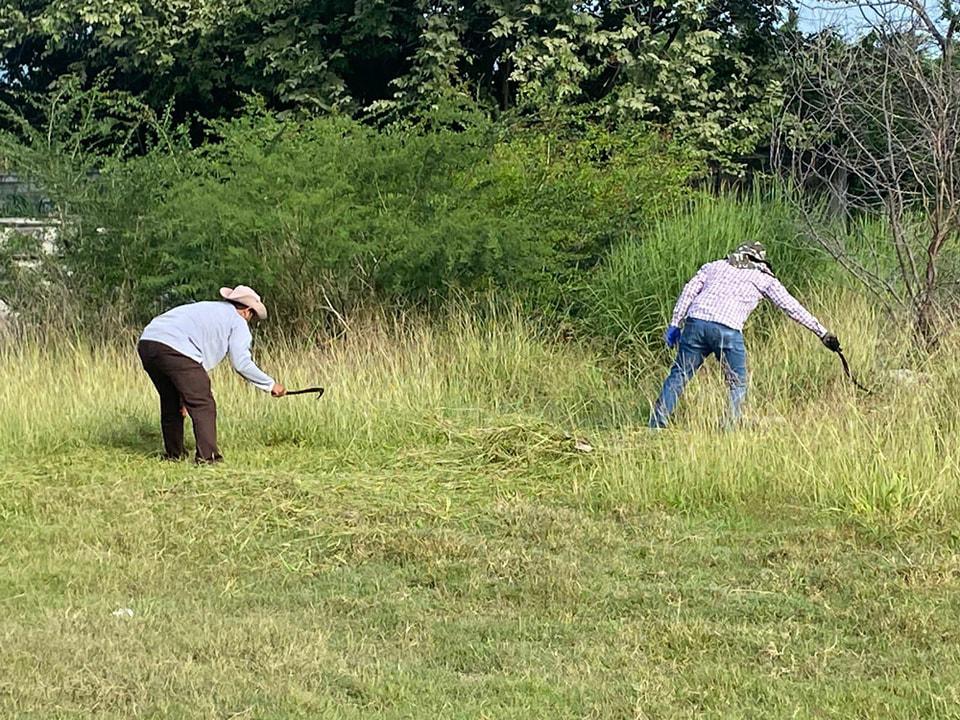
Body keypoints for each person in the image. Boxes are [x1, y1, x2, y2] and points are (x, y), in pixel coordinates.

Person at [649, 242, 840, 428]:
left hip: (695, 323)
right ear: (759, 260)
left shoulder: (714, 266)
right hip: (728, 329)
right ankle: (729, 425)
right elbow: (792, 308)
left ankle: (656, 423)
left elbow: (689, 291)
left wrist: (675, 323)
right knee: (737, 383)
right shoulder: (764, 278)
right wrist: (822, 333)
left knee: (679, 374)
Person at [137, 285, 286, 462]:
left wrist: (185, 395)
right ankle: (208, 457)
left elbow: (191, 354)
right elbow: (242, 363)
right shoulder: (237, 321)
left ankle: (174, 454)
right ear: (247, 311)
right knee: (203, 404)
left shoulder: (208, 308)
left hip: (148, 343)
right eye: (252, 316)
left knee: (171, 401)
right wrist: (270, 384)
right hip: (175, 348)